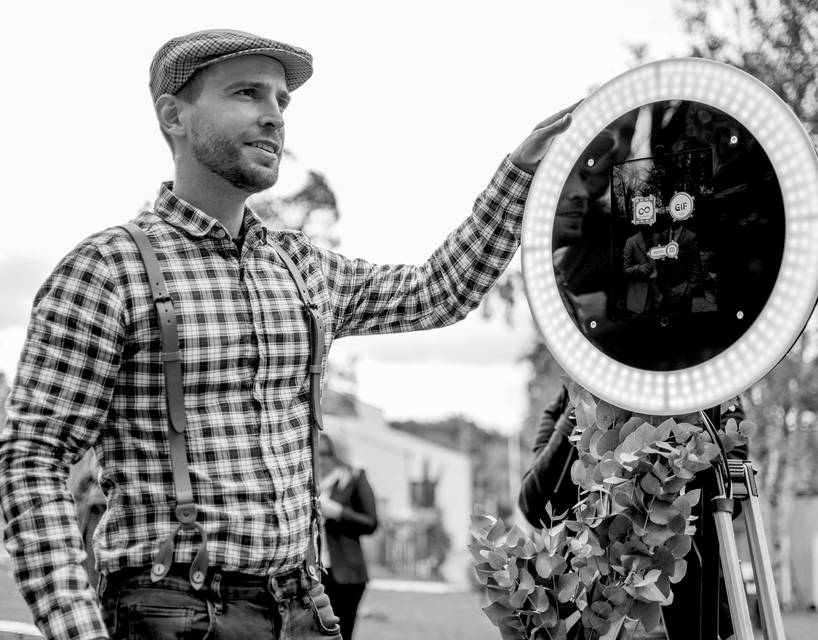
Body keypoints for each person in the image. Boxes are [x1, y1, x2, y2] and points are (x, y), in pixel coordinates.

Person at [0, 29, 573, 640]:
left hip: (304, 605)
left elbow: (438, 290)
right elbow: (32, 459)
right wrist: (77, 629)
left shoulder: (303, 268)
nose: (273, 116)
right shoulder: (106, 271)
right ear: (174, 116)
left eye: (281, 101)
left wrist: (518, 176)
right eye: (247, 93)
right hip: (171, 610)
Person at [519, 386, 743, 640]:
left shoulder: (708, 387)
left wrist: (668, 454)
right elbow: (535, 506)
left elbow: (726, 501)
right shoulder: (568, 400)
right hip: (591, 614)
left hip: (692, 614)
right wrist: (588, 403)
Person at [315, 433, 377, 640]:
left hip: (345, 573)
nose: (321, 459)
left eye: (326, 453)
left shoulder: (354, 478)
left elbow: (371, 522)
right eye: (317, 453)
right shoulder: (309, 481)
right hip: (314, 573)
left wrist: (339, 512)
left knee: (342, 633)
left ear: (338, 454)